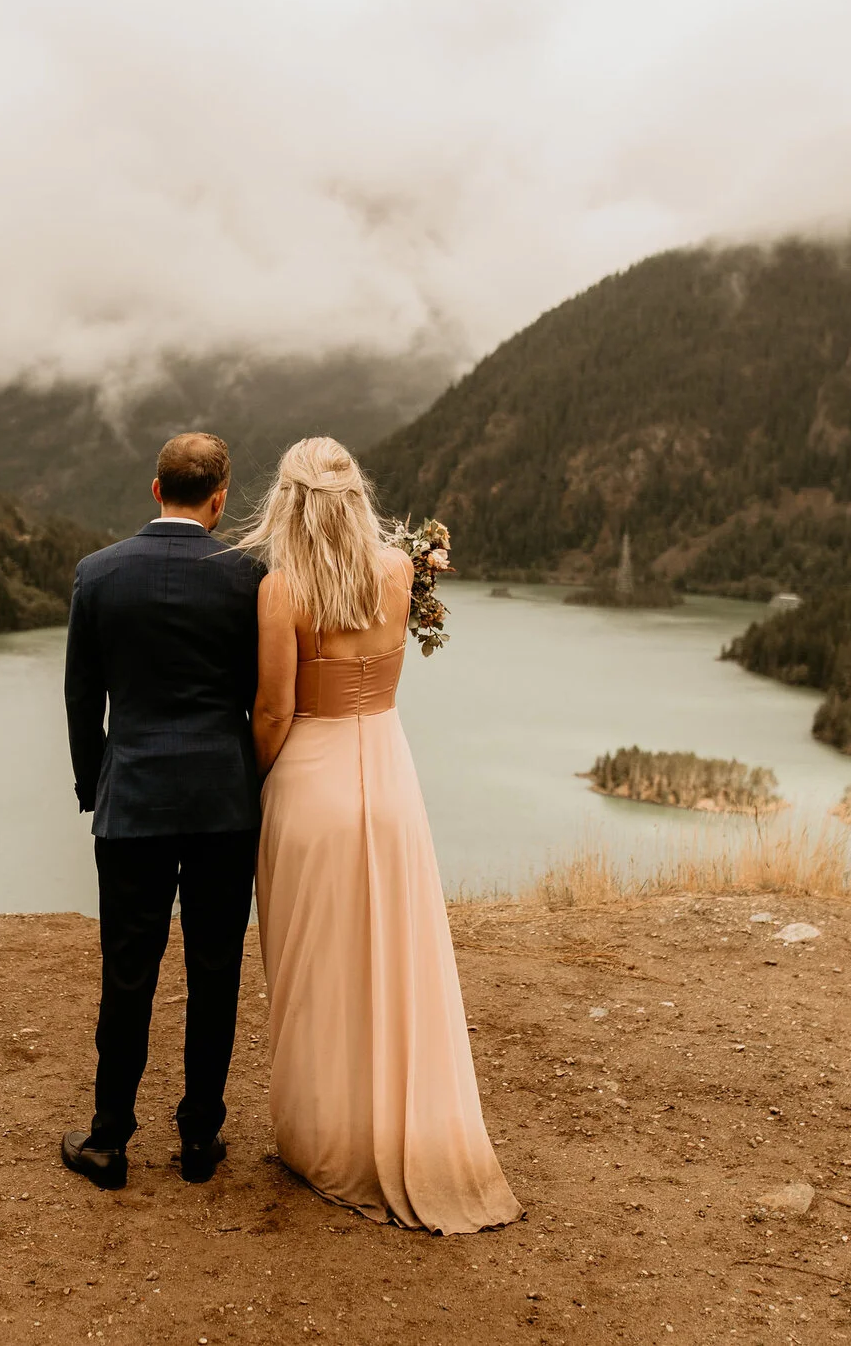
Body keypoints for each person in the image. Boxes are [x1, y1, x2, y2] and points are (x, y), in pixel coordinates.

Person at [240, 436, 520, 1233]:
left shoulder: (282, 591)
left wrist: (253, 777)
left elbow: (274, 710)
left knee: (315, 963)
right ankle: (404, 1119)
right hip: (391, 779)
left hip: (311, 784)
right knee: (394, 953)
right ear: (358, 499)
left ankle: (323, 1134)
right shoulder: (399, 572)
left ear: (290, 506)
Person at [59, 432, 265, 1189]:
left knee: (128, 971)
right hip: (223, 802)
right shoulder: (248, 577)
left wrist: (95, 784)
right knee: (216, 970)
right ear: (219, 498)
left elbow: (83, 697)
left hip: (135, 802)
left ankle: (109, 1138)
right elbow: (264, 692)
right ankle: (200, 1139)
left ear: (156, 489)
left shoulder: (99, 574)